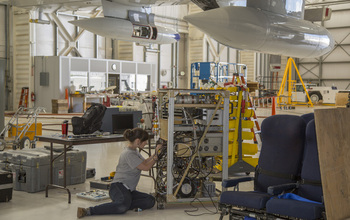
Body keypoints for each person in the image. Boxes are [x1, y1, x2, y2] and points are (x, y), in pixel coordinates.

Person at [77, 128, 163, 218]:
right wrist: (156, 157)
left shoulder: (134, 151)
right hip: (118, 187)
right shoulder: (128, 154)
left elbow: (144, 162)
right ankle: (88, 211)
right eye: (144, 141)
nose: (146, 143)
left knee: (150, 200)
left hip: (129, 190)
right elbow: (146, 167)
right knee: (122, 207)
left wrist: (156, 153)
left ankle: (120, 204)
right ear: (138, 141)